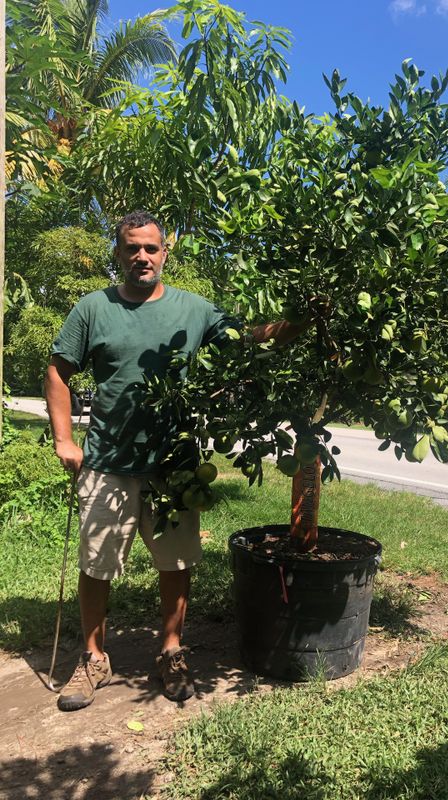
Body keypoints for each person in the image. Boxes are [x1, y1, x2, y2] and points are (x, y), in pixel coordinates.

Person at [45, 210, 310, 711]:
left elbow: (248, 337)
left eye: (150, 248)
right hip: (107, 459)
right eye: (131, 248)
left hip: (175, 465)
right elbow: (58, 371)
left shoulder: (194, 310)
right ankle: (93, 657)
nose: (141, 256)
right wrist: (65, 440)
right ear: (118, 254)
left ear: (165, 253)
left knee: (176, 562)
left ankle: (171, 651)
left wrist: (299, 321)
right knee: (96, 565)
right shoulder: (92, 309)